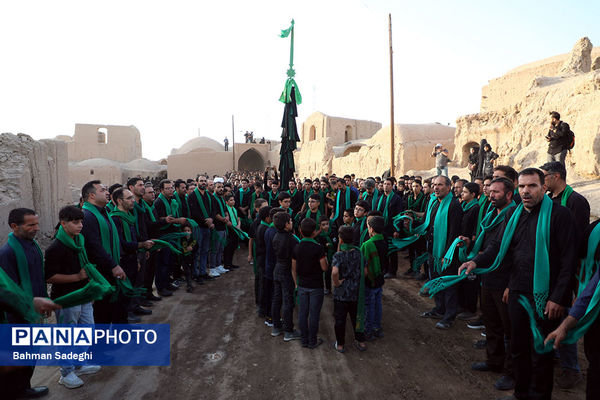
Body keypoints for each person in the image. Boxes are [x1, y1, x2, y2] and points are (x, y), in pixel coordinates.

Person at [460, 168, 577, 400]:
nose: (526, 191)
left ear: (543, 188)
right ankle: (521, 393)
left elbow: (568, 261)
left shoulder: (560, 215)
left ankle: (540, 395)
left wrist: (557, 298)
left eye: (532, 186)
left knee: (541, 351)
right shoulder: (513, 215)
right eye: (522, 186)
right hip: (517, 291)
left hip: (545, 296)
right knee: (519, 346)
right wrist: (475, 261)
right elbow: (496, 245)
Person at [539, 161, 589, 388]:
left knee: (566, 316)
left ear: (556, 176)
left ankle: (571, 370)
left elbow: (574, 243)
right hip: (548, 269)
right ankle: (555, 356)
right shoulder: (548, 201)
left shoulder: (576, 202)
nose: (542, 182)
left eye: (544, 177)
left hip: (567, 272)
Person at [464, 178, 516, 392]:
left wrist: (511, 284)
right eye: (490, 191)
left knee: (511, 330)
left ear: (509, 195)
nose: (491, 195)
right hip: (489, 277)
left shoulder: (513, 215)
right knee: (492, 325)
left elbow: (505, 249)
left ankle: (513, 374)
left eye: (496, 192)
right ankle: (494, 362)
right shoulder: (491, 215)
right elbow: (489, 245)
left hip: (505, 281)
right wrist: (471, 251)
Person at [46, 205, 101, 389]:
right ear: (63, 223)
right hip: (66, 298)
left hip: (83, 295)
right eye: (75, 222)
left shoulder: (79, 241)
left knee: (87, 330)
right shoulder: (56, 247)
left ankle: (79, 364)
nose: (80, 226)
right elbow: (50, 276)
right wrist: (77, 277)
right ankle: (66, 373)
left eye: (81, 222)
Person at [0, 208, 50, 398]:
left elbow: (39, 278)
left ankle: (24, 388)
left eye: (37, 224)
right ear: (14, 226)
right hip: (18, 317)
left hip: (34, 312)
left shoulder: (33, 246)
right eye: (31, 225)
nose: (36, 228)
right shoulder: (7, 253)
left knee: (31, 355)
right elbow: (9, 291)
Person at [419, 175, 464, 330]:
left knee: (448, 286)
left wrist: (447, 255)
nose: (436, 187)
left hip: (446, 254)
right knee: (436, 281)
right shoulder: (434, 203)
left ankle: (449, 316)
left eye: (440, 185)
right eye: (434, 185)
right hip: (433, 250)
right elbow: (429, 225)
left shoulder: (453, 205)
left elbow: (454, 233)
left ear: (448, 187)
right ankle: (439, 309)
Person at [80, 181, 128, 323]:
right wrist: (113, 265)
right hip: (100, 272)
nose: (108, 193)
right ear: (92, 195)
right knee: (102, 312)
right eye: (103, 190)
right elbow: (95, 246)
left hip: (108, 267)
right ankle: (102, 343)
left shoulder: (104, 212)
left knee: (110, 307)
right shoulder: (87, 216)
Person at [110, 188, 154, 323]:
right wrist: (141, 245)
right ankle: (126, 318)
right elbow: (121, 243)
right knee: (123, 293)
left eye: (132, 198)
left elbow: (134, 237)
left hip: (132, 258)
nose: (132, 201)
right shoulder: (115, 219)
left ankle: (133, 309)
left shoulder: (129, 217)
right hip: (123, 261)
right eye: (129, 198)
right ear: (119, 201)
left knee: (133, 287)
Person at [292, 218, 328, 348]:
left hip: (302, 285)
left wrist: (296, 283)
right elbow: (324, 267)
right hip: (316, 285)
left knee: (303, 312)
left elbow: (293, 268)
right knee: (314, 314)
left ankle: (304, 340)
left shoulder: (297, 247)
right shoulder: (318, 248)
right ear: (314, 232)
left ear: (300, 231)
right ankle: (313, 341)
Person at [332, 225, 367, 352]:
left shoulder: (338, 255)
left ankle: (340, 344)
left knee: (340, 319)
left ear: (340, 239)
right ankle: (361, 341)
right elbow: (365, 271)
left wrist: (336, 283)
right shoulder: (359, 253)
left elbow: (335, 272)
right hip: (356, 292)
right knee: (356, 316)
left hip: (341, 293)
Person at [270, 212, 301, 341]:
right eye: (290, 221)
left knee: (277, 298)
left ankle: (276, 327)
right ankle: (288, 330)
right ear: (286, 224)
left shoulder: (276, 236)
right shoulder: (292, 239)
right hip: (287, 271)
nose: (292, 223)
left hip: (277, 269)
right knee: (288, 300)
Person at [361, 215, 386, 341]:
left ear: (371, 229)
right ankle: (377, 328)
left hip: (369, 281)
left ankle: (368, 331)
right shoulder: (384, 241)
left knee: (369, 306)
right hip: (379, 278)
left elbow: (364, 266)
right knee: (377, 304)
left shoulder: (367, 245)